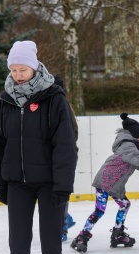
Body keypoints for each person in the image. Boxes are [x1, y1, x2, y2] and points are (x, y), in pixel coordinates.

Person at [0, 40, 77, 254]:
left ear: (35, 67)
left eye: (23, 69)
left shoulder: (54, 99)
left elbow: (65, 146)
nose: (18, 74)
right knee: (18, 246)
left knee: (51, 245)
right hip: (18, 185)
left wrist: (63, 186)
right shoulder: (5, 102)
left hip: (50, 184)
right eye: (13, 70)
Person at [70, 113, 139, 254]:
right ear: (135, 135)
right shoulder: (128, 147)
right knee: (100, 210)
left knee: (124, 204)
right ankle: (81, 238)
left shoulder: (129, 149)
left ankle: (117, 235)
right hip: (105, 182)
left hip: (114, 185)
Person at [53, 75, 79, 242]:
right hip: (56, 155)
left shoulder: (62, 106)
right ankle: (64, 219)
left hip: (63, 156)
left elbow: (72, 132)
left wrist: (64, 151)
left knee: (60, 190)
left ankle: (62, 224)